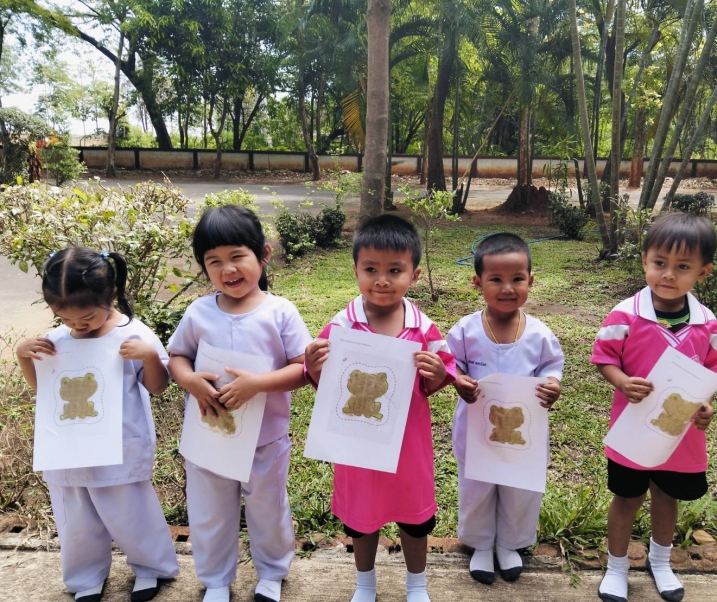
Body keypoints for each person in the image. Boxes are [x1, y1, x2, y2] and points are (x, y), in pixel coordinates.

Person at [304, 214, 457, 602]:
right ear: (355, 270)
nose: (382, 280)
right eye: (371, 269)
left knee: (415, 518)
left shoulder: (424, 329)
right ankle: (365, 584)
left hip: (408, 448)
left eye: (395, 270)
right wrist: (314, 365)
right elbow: (323, 381)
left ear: (414, 274)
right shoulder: (342, 325)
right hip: (357, 448)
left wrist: (439, 373)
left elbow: (438, 379)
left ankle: (417, 585)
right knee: (362, 518)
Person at [16, 247, 179, 602]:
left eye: (87, 317)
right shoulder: (55, 341)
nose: (77, 325)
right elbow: (44, 391)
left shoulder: (133, 335)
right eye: (64, 317)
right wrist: (23, 355)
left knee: (132, 512)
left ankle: (151, 568)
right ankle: (85, 577)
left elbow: (157, 386)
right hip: (68, 452)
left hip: (119, 447)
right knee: (76, 519)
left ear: (112, 294)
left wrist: (150, 356)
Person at [167, 205, 311, 602]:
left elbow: (303, 369)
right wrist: (190, 380)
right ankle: (216, 580)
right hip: (209, 438)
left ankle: (272, 573)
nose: (227, 269)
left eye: (236, 256)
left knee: (268, 509)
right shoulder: (199, 312)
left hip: (265, 440)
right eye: (214, 261)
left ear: (263, 254)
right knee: (210, 511)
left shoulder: (279, 312)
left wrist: (257, 385)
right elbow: (177, 357)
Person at [592, 212, 717, 602]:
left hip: (679, 434)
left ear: (703, 272)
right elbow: (603, 357)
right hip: (633, 432)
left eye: (682, 267)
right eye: (659, 263)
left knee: (667, 496)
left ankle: (661, 560)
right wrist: (622, 381)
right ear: (644, 261)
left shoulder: (706, 324)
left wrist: (706, 405)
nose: (668, 274)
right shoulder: (626, 314)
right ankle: (617, 567)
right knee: (627, 498)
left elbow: (714, 371)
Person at [445, 232, 563, 585]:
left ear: (531, 281)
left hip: (524, 431)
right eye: (496, 279)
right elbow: (451, 363)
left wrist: (552, 384)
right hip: (478, 428)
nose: (507, 288)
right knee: (477, 486)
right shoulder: (466, 330)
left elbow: (552, 366)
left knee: (520, 489)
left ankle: (510, 543)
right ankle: (481, 544)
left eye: (517, 279)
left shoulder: (539, 334)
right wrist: (458, 380)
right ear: (477, 282)